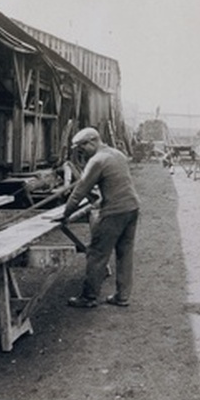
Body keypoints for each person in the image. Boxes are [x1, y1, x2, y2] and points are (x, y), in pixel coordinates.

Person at [61, 127, 140, 308]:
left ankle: (89, 298)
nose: (82, 153)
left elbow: (79, 191)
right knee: (124, 253)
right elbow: (114, 182)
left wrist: (65, 214)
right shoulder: (117, 154)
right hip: (132, 208)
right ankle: (122, 297)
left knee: (96, 253)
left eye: (82, 148)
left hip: (115, 212)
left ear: (93, 142)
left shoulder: (97, 160)